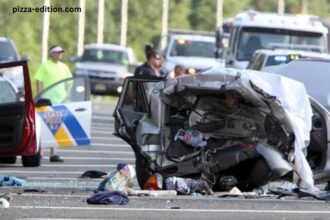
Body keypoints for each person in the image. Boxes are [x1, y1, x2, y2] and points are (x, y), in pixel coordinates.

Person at [35, 45, 72, 162]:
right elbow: (38, 80)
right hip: (47, 100)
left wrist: (67, 94)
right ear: (51, 54)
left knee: (57, 127)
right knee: (43, 126)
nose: (60, 54)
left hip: (60, 101)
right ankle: (40, 152)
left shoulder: (64, 67)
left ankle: (53, 153)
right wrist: (40, 95)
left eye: (61, 52)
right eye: (57, 52)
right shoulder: (45, 65)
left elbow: (69, 81)